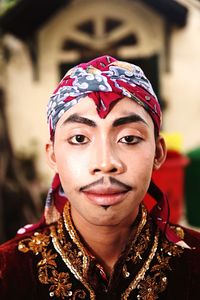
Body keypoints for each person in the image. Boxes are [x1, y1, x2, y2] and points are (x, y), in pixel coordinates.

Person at [0, 55, 199, 300]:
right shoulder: (8, 271)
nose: (105, 164)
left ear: (158, 153)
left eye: (128, 138)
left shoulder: (194, 261)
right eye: (79, 139)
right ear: (53, 156)